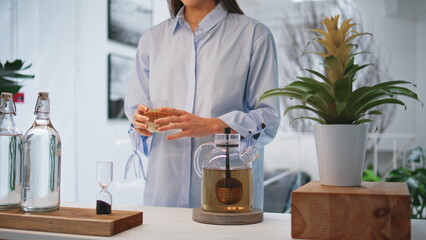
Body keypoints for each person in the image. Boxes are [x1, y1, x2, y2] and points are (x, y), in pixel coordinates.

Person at [125, 0, 280, 209]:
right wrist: (140, 124)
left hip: (227, 195)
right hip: (163, 196)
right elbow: (135, 111)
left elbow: (268, 118)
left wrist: (213, 125)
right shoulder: (151, 39)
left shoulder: (254, 34)